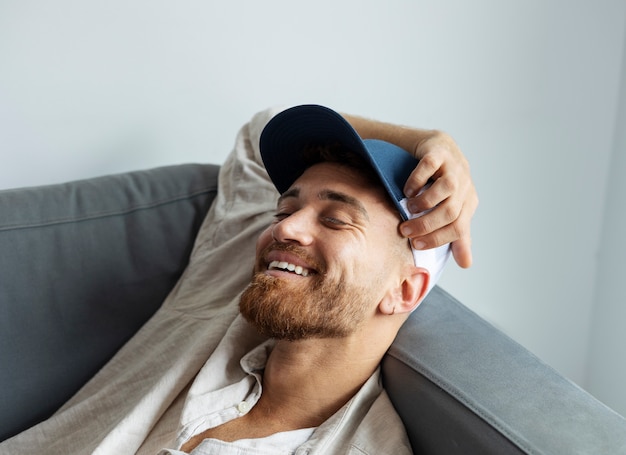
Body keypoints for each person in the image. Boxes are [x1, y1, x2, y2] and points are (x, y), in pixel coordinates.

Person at [0, 105, 477, 454]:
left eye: (335, 220)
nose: (286, 228)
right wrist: (430, 142)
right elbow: (259, 132)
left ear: (403, 290)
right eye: (286, 208)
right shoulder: (228, 284)